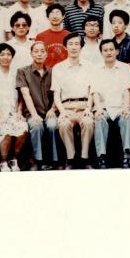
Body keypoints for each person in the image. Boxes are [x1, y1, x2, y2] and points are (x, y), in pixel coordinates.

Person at [51, 33, 95, 170]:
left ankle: (85, 158)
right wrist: (62, 111)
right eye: (70, 44)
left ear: (81, 46)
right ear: (65, 47)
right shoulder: (58, 68)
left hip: (84, 106)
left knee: (88, 122)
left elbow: (92, 91)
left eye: (77, 44)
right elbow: (56, 94)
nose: (74, 47)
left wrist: (88, 108)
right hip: (67, 107)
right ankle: (70, 158)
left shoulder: (90, 66)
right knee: (64, 124)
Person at [91, 38, 130, 169]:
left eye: (111, 49)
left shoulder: (125, 68)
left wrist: (126, 107)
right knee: (100, 119)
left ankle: (127, 154)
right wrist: (98, 108)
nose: (108, 52)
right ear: (101, 53)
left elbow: (127, 90)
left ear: (117, 51)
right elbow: (95, 92)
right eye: (105, 50)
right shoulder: (96, 69)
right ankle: (101, 157)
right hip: (103, 107)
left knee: (127, 118)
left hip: (120, 106)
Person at [16, 41, 59, 170]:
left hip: (50, 111)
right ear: (31, 54)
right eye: (36, 51)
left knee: (52, 125)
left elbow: (58, 92)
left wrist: (53, 109)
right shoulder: (23, 71)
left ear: (46, 54)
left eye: (42, 51)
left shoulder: (53, 71)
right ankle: (37, 161)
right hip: (32, 112)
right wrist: (34, 115)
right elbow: (25, 94)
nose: (39, 54)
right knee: (36, 125)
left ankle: (54, 161)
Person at [0, 43, 28, 172]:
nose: (5, 57)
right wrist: (1, 116)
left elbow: (21, 96)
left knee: (23, 128)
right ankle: (3, 161)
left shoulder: (16, 74)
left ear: (12, 57)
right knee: (6, 130)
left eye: (8, 54)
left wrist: (19, 111)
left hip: (13, 112)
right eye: (2, 54)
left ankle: (13, 158)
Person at [35, 3, 69, 68]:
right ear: (47, 17)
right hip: (46, 72)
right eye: (52, 14)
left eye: (57, 13)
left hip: (65, 71)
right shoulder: (40, 36)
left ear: (63, 16)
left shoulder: (69, 36)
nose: (55, 16)